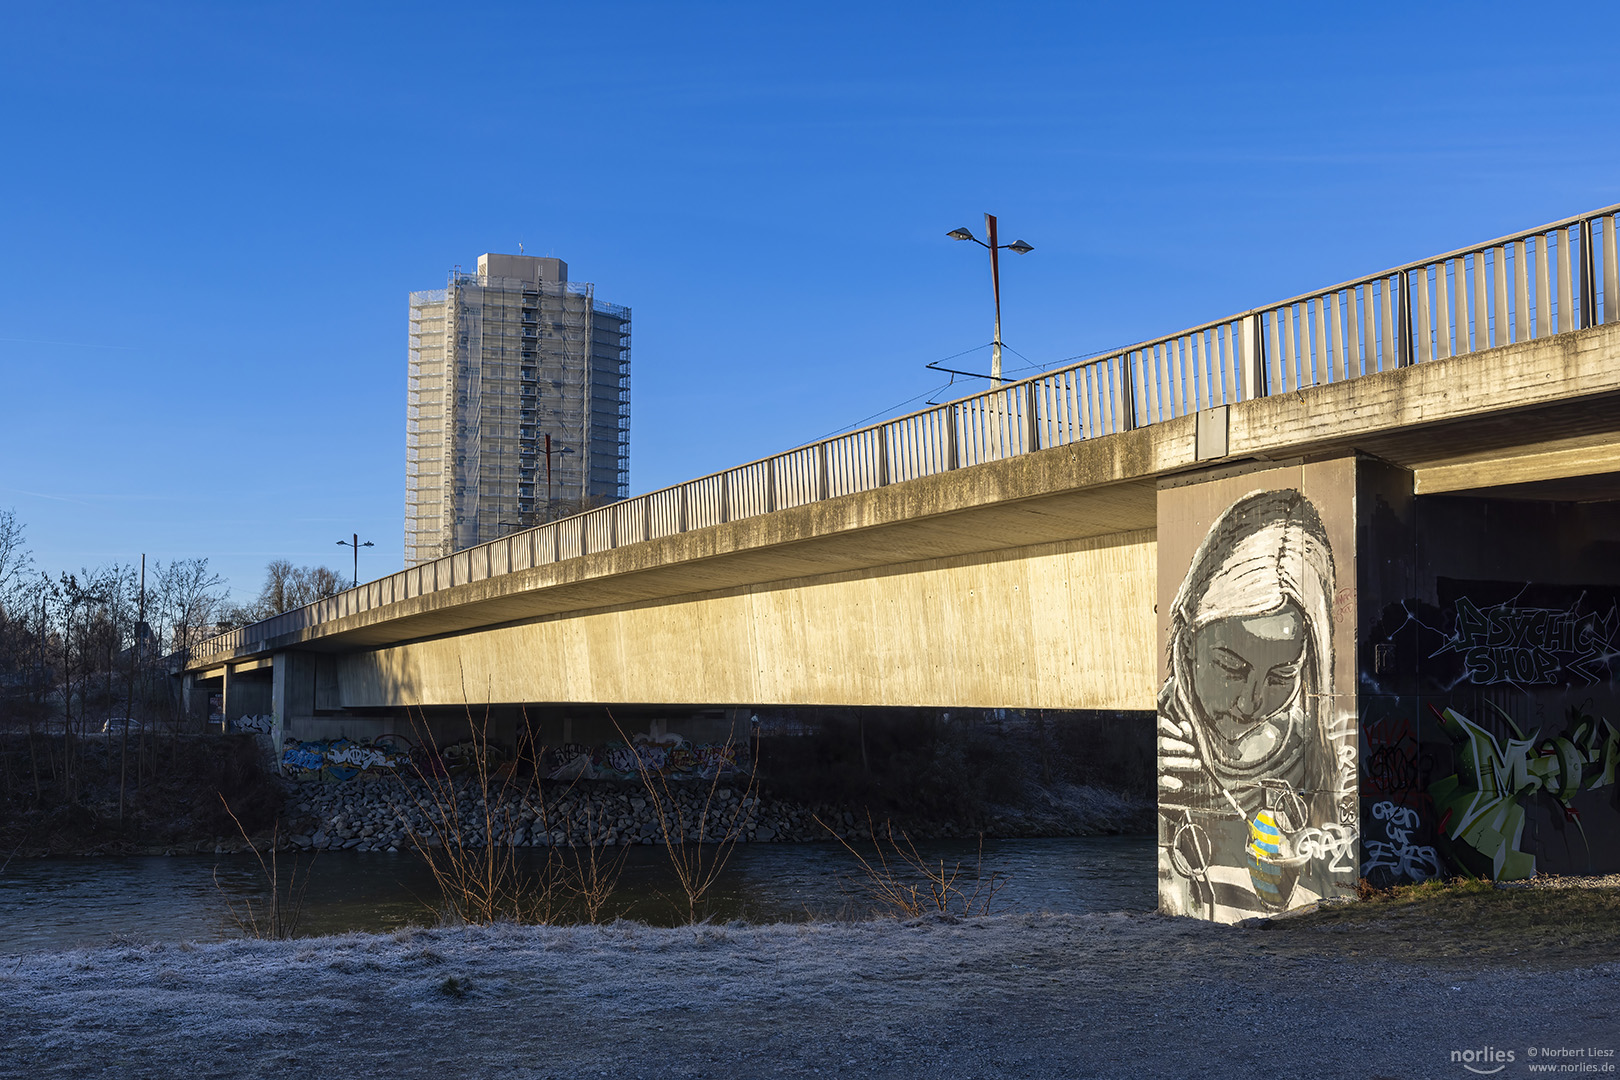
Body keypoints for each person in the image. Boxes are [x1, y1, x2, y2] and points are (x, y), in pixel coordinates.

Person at [1157, 488, 1350, 921]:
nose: (1251, 702)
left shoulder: (1320, 753)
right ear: (1188, 641)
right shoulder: (1164, 745)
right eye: (1230, 667)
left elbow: (1335, 889)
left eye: (1282, 676)